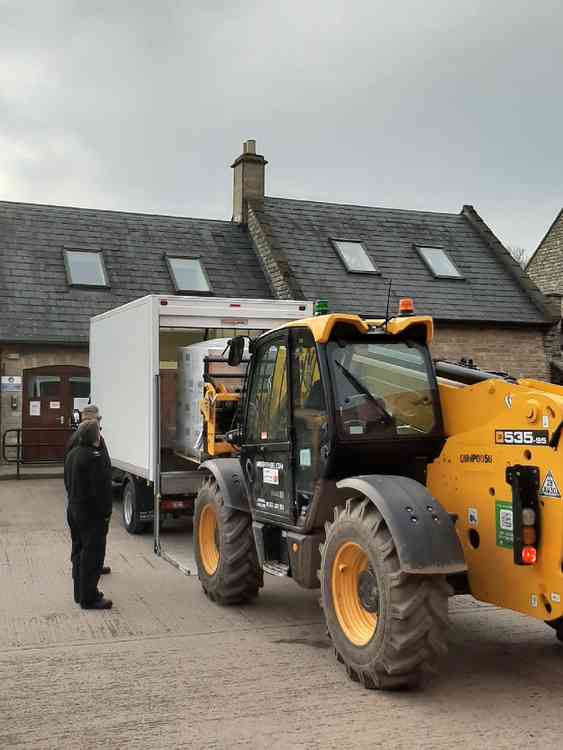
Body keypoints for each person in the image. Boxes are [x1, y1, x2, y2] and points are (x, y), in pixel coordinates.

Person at [64, 419, 113, 609]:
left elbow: (67, 484)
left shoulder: (72, 454)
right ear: (96, 437)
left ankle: (79, 593)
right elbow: (102, 490)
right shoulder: (95, 457)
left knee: (78, 551)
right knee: (92, 555)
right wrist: (106, 514)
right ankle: (89, 598)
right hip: (91, 515)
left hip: (74, 509)